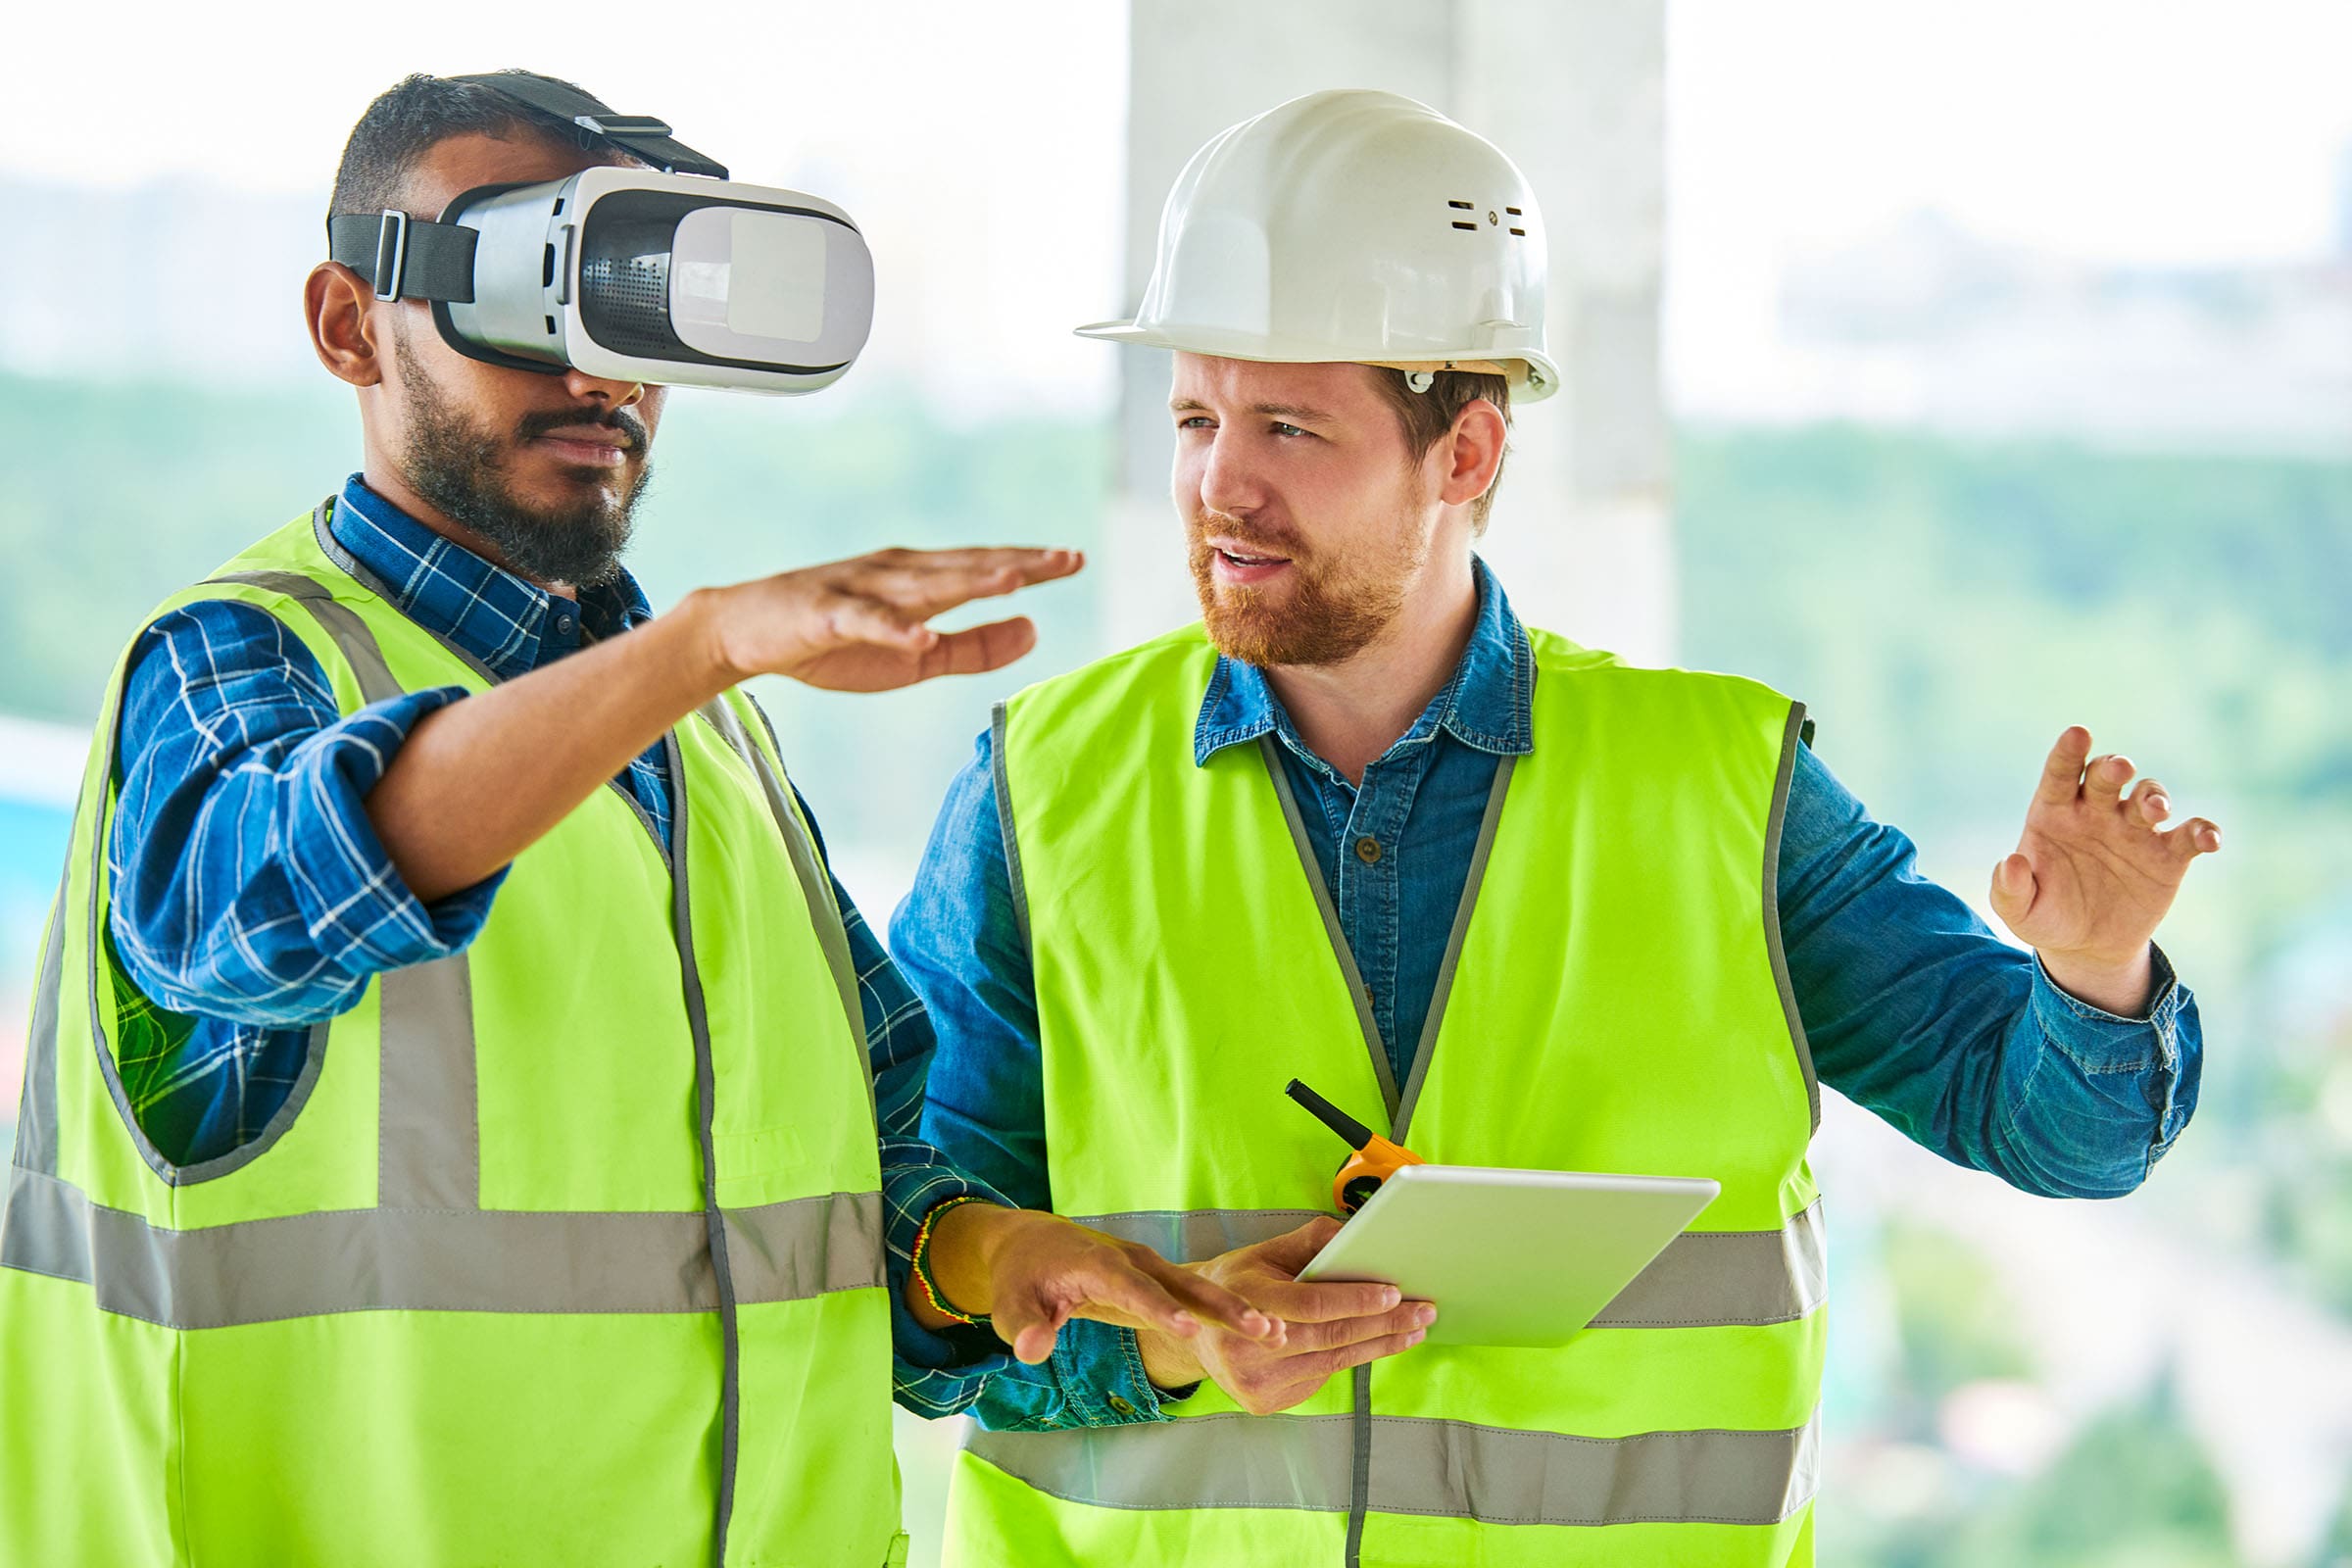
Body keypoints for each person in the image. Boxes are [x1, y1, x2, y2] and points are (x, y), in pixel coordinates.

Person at [891, 89, 2220, 1567]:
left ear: (1465, 453)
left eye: (1289, 426)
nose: (1220, 486)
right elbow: (924, 1284)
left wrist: (2096, 971)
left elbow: (2053, 1128)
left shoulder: (1723, 786)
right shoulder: (1043, 786)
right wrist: (1169, 1345)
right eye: (1197, 416)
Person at [0, 71, 1273, 1568]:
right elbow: (275, 908)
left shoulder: (710, 737)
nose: (602, 377)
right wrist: (698, 647)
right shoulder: (237, 664)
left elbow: (876, 1195)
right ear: (351, 323)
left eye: (635, 317)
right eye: (534, 297)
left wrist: (999, 1260)